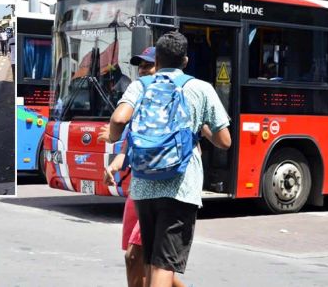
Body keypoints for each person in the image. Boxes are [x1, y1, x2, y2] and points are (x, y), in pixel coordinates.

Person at [104, 32, 231, 287]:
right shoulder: (200, 88)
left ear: (157, 60)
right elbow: (225, 141)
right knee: (164, 266)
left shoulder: (140, 85)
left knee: (151, 260)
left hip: (143, 186)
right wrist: (200, 127)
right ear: (185, 60)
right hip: (180, 188)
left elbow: (119, 119)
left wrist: (111, 137)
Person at [99, 46, 156, 287]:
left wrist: (112, 134)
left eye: (148, 65)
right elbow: (128, 149)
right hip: (137, 187)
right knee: (140, 261)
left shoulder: (171, 104)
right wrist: (114, 166)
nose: (142, 70)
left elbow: (118, 121)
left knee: (137, 257)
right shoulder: (139, 105)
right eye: (140, 65)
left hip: (157, 191)